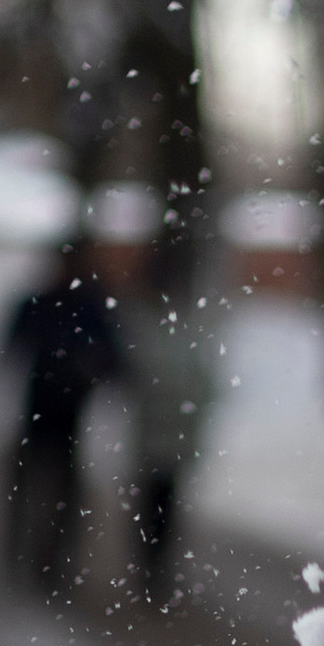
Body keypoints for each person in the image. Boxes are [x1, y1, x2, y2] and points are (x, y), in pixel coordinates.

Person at [0, 234, 124, 602]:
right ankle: (26, 554)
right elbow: (10, 351)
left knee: (56, 489)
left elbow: (115, 361)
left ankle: (47, 559)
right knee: (29, 485)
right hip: (40, 411)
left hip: (68, 415)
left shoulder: (88, 306)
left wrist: (91, 367)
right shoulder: (50, 303)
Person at [112, 227, 218, 612]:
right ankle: (150, 568)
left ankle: (155, 568)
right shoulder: (153, 326)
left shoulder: (171, 327)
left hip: (171, 431)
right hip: (159, 430)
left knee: (163, 503)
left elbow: (201, 382)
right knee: (155, 502)